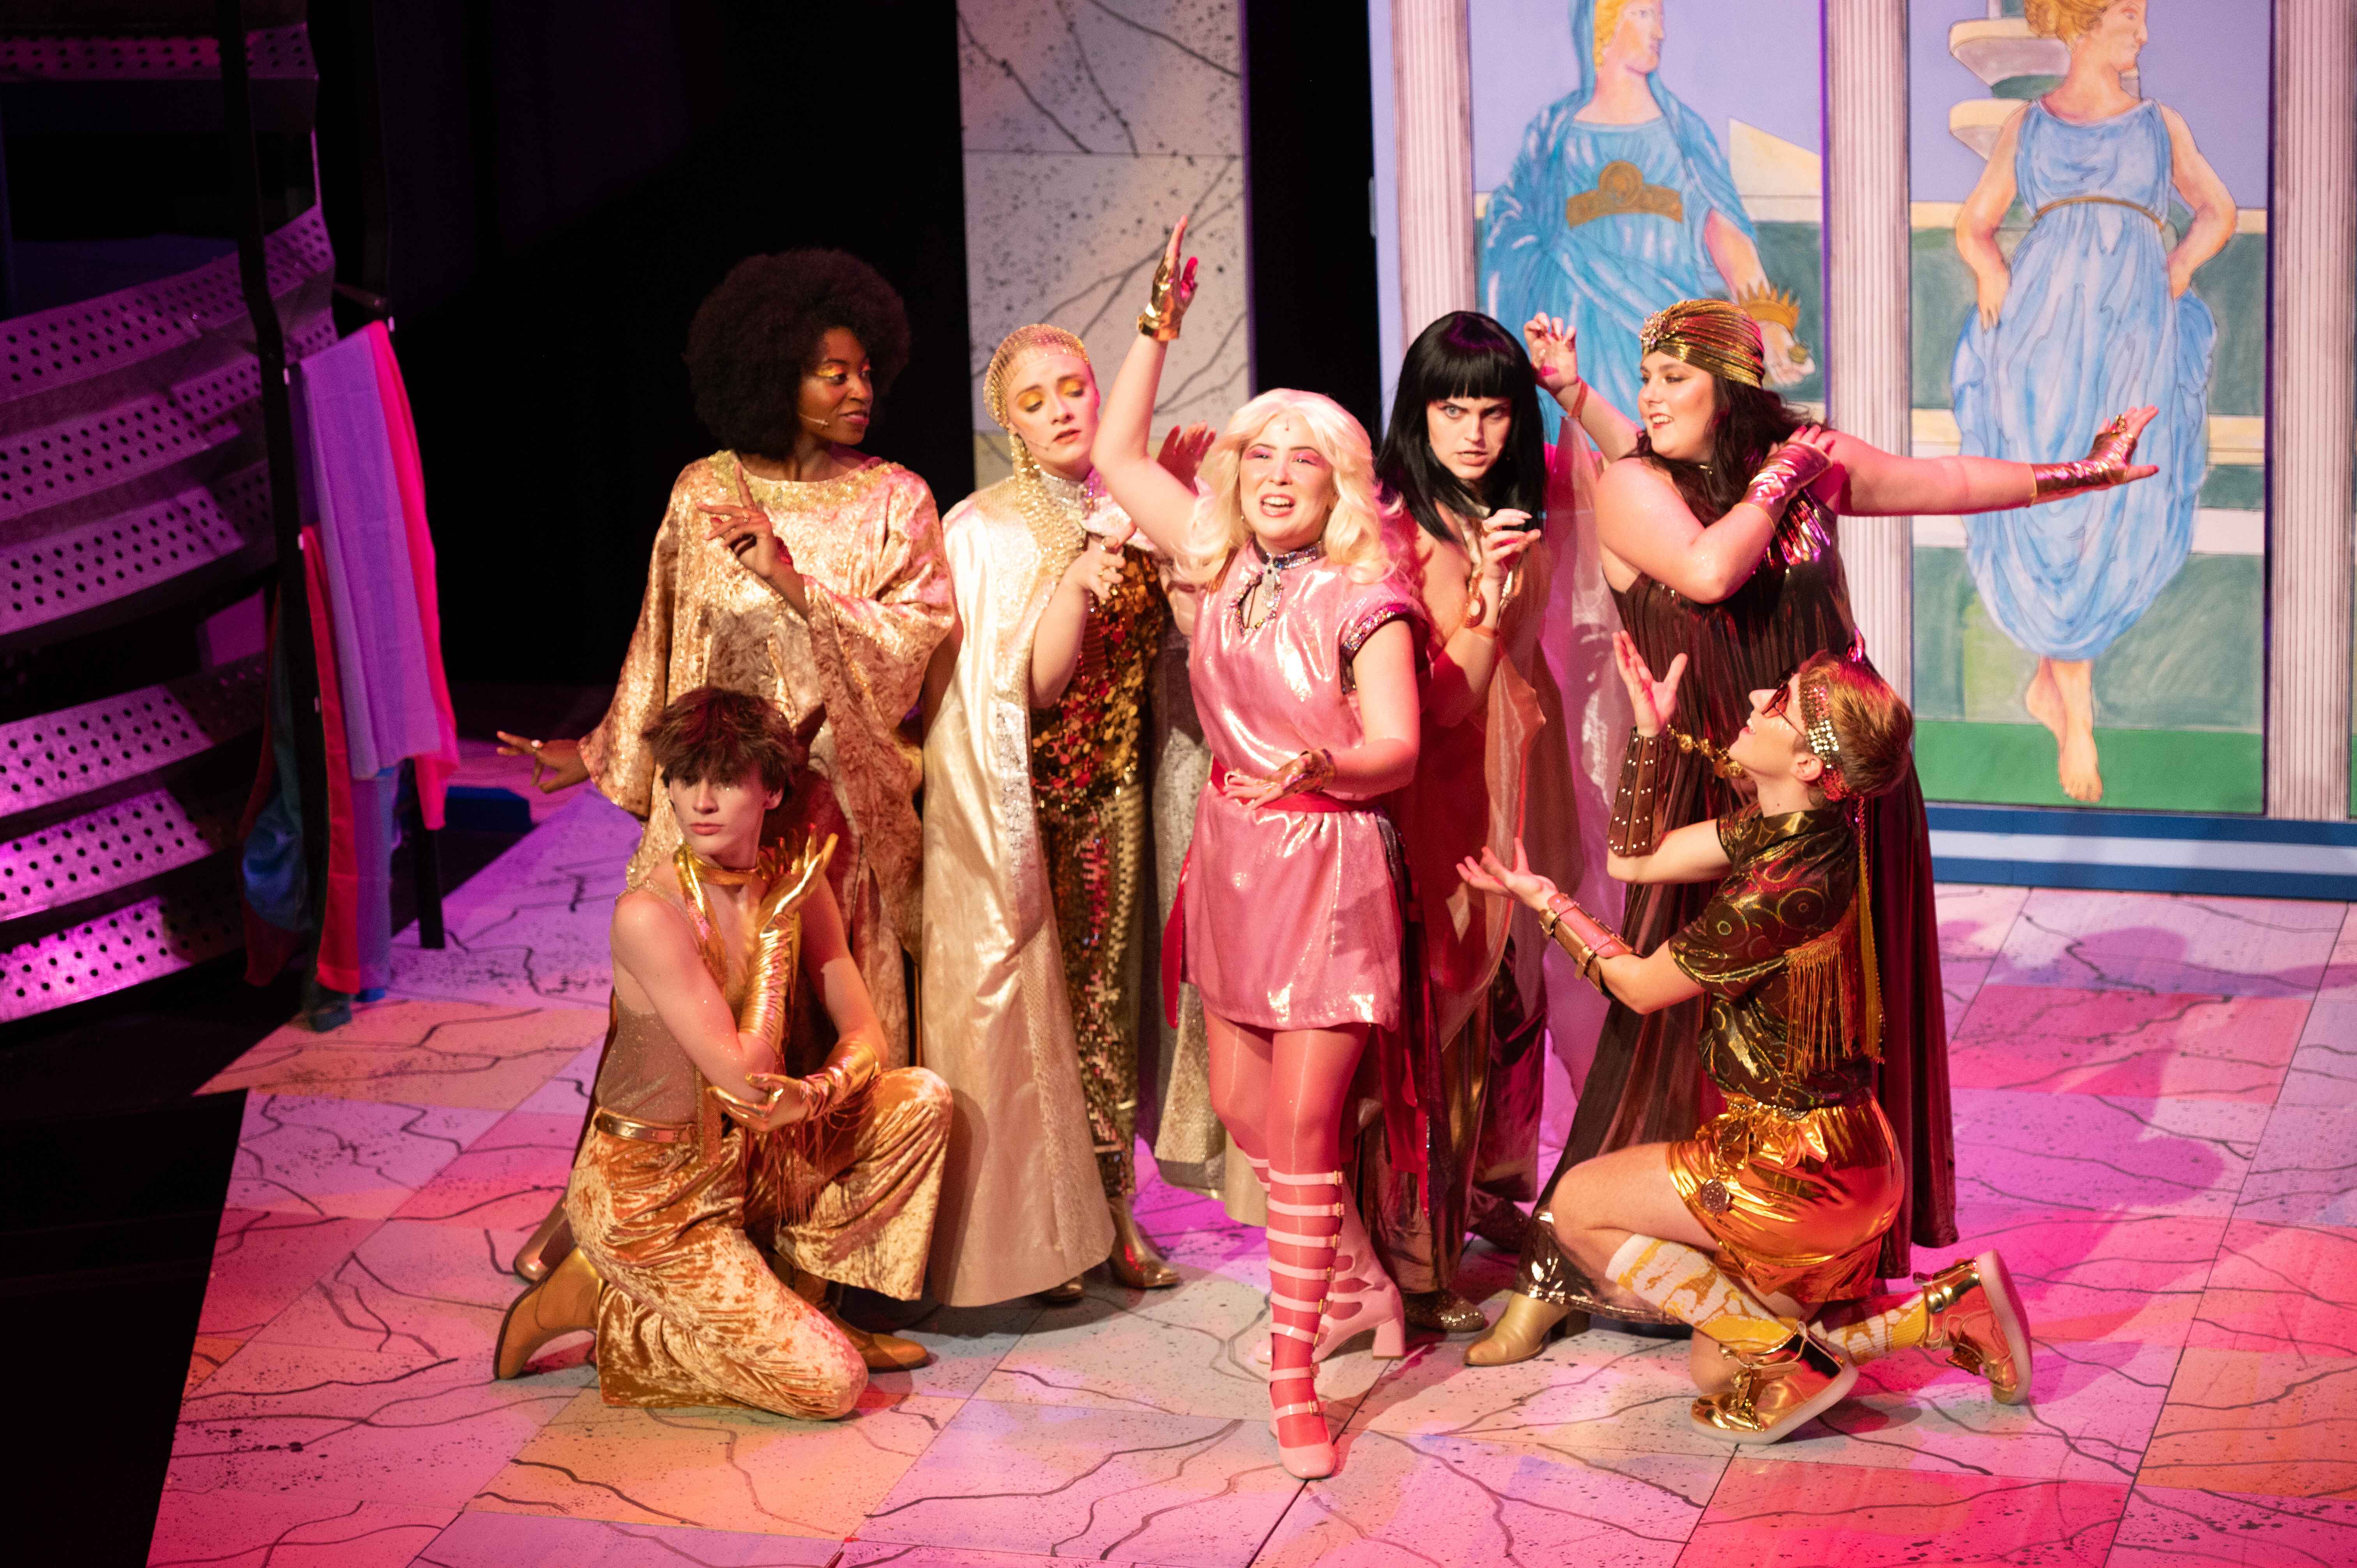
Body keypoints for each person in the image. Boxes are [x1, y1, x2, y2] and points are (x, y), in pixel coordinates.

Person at [1467, 298, 2156, 1364]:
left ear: (1733, 389)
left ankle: (1820, 1275)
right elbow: (1709, 571)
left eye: (1675, 378)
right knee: (1663, 1043)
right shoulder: (1638, 484)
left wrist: (2085, 474)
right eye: (1644, 378)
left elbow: (1938, 480)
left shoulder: (1801, 461)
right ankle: (1562, 1267)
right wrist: (1775, 471)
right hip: (1715, 793)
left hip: (1840, 800)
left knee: (1831, 1041)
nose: (1650, 396)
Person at [496, 251, 952, 1283]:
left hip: (826, 806)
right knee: (670, 1017)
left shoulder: (897, 499)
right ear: (773, 372)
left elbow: (917, 641)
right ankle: (605, 1214)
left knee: (812, 1020)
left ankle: (814, 1245)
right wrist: (602, 749)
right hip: (710, 799)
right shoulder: (705, 490)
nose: (859, 390)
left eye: (865, 371)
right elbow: (663, 639)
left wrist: (793, 581)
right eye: (832, 372)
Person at [1462, 646, 2032, 1444]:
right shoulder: (1800, 829)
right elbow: (1635, 860)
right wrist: (1650, 736)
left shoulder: (1783, 887)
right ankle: (1945, 1312)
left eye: (1780, 702)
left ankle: (1786, 1354)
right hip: (1848, 1158)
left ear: (1807, 763)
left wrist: (1547, 904)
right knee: (1717, 1367)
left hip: (1792, 1164)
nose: (1758, 693)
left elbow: (1641, 986)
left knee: (1578, 1206)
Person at [1092, 217, 1422, 1480]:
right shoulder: (1216, 558)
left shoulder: (1364, 597)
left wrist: (1324, 768)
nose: (1280, 476)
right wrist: (1157, 323)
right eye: (1261, 455)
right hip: (1233, 856)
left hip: (1326, 866)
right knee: (1242, 1110)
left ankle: (1294, 1380)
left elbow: (1396, 746)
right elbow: (1118, 452)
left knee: (1303, 1125)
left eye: (1306, 460)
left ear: (1341, 483)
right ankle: (1360, 1284)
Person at [492, 687, 952, 1414]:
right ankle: (601, 1307)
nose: (701, 800)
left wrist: (816, 1094)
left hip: (746, 1162)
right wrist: (774, 938)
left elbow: (868, 1033)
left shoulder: (791, 880)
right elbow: (744, 1076)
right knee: (832, 1384)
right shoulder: (649, 914)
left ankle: (803, 1299)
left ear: (772, 790)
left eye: (727, 778)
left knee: (921, 1099)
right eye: (685, 777)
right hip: (651, 1196)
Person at [917, 323, 1209, 1305]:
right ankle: (1049, 1224)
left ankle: (1112, 1208)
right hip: (1020, 808)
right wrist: (1079, 576)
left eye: (1075, 388)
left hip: (1115, 799)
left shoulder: (1131, 505)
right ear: (1009, 422)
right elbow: (1027, 688)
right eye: (1034, 401)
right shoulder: (986, 528)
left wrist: (1174, 526)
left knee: (1109, 1006)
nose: (1062, 411)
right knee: (1033, 1017)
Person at [1357, 310, 1618, 1336]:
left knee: (1518, 992)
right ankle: (1415, 1251)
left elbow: (1623, 479)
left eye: (1494, 411)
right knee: (1448, 1001)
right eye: (1451, 409)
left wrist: (1571, 389)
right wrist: (1486, 597)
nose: (1473, 432)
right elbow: (1435, 700)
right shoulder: (1398, 525)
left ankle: (1489, 1190)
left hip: (1527, 758)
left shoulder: (1517, 500)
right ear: (1418, 413)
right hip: (1453, 774)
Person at [1951, 0, 2231, 802]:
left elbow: (2217, 212)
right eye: (2128, 17)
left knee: (2111, 503)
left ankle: (2063, 689)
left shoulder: (2158, 127)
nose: (2142, 33)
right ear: (2083, 23)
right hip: (2041, 338)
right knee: (2054, 499)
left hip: (2132, 333)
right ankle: (2072, 702)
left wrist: (2174, 272)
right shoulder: (2030, 128)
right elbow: (1975, 227)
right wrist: (1991, 272)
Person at [1479, 0, 1812, 442]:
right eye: (1642, 15)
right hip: (1581, 342)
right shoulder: (1555, 133)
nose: (1659, 32)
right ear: (1603, 25)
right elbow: (1512, 225)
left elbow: (1723, 230)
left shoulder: (1682, 133)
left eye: (1660, 17)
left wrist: (1767, 323)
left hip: (1669, 346)